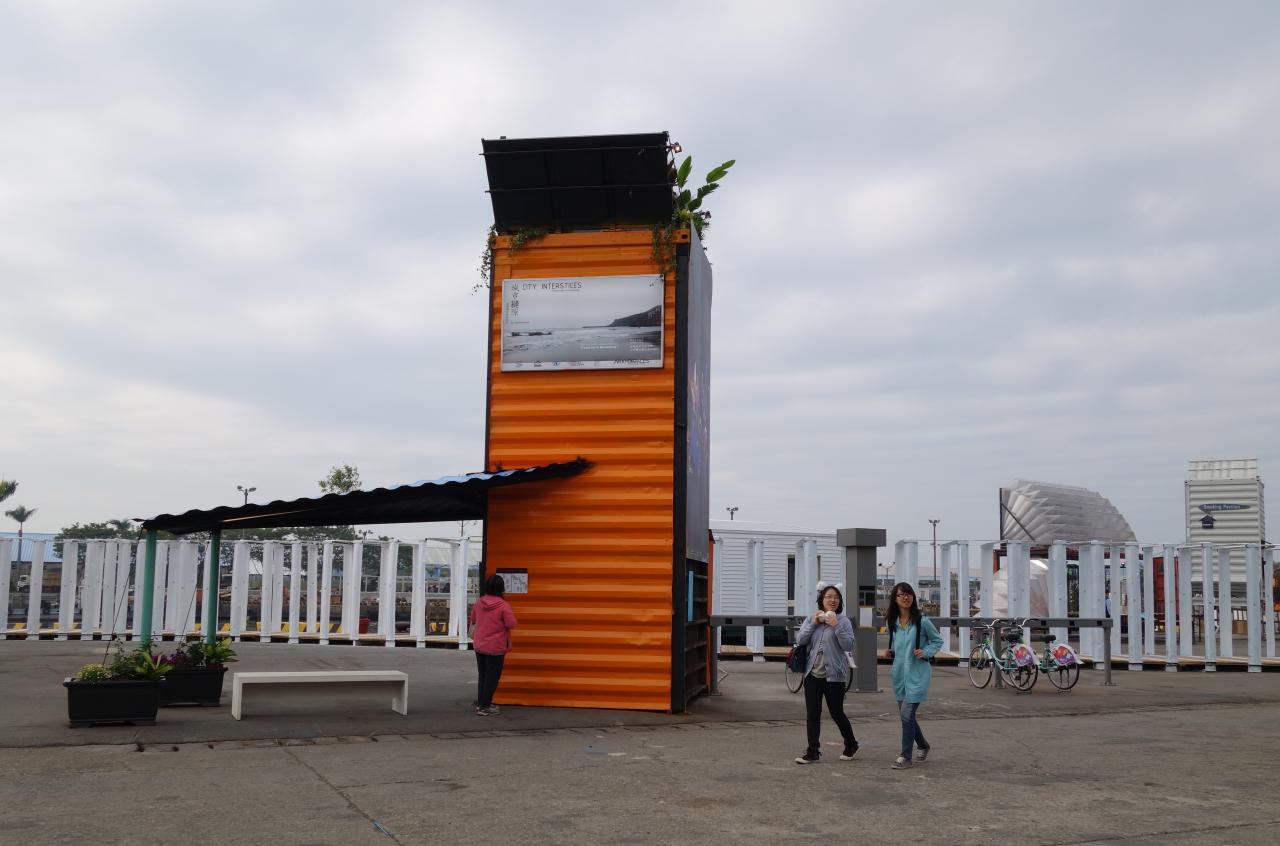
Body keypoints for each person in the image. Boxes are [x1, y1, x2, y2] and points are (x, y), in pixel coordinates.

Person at [793, 581, 859, 764]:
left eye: (836, 597)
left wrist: (836, 626)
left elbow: (848, 645)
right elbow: (801, 639)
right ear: (821, 599)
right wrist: (813, 624)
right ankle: (812, 751)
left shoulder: (844, 621)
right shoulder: (812, 618)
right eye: (829, 596)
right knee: (813, 714)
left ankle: (851, 744)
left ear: (840, 601)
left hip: (834, 676)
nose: (832, 600)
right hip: (812, 674)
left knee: (837, 713)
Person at [883, 581, 942, 769]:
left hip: (917, 674)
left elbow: (937, 641)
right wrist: (891, 651)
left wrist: (925, 652)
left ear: (913, 597)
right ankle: (923, 745)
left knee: (907, 715)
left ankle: (905, 756)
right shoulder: (892, 622)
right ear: (895, 599)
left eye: (908, 594)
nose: (905, 597)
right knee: (906, 716)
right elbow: (898, 645)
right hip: (899, 674)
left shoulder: (922, 621)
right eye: (901, 595)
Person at [469, 574, 518, 716]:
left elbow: (473, 619)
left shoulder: (479, 602)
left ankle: (482, 703)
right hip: (496, 647)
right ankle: (485, 707)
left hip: (480, 645)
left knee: (483, 676)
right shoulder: (503, 606)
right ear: (501, 588)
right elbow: (512, 624)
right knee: (492, 677)